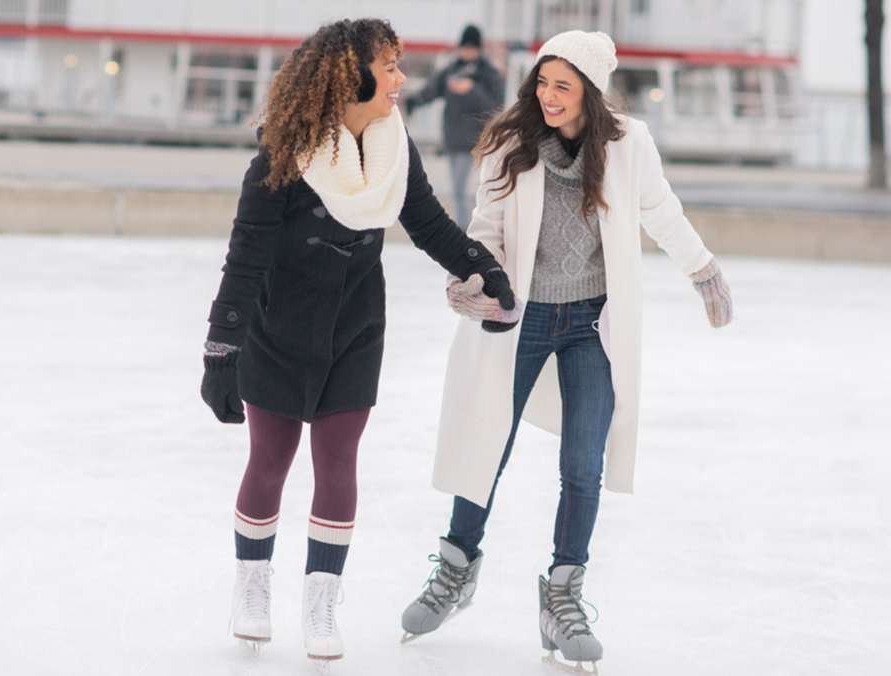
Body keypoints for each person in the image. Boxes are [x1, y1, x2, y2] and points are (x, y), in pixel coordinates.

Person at [398, 31, 734, 674]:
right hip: (519, 318)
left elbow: (661, 212)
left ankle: (562, 594)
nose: (548, 97)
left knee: (583, 462)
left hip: (590, 323)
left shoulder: (627, 144)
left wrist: (704, 271)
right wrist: (471, 282)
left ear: (590, 91)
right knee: (485, 441)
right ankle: (458, 567)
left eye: (563, 85)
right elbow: (486, 229)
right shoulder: (507, 141)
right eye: (542, 83)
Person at [198, 17, 521, 671]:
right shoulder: (281, 158)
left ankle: (322, 601)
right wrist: (222, 352)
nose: (402, 78)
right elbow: (245, 260)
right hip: (277, 327)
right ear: (353, 76)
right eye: (390, 66)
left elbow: (428, 221)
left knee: (339, 462)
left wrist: (482, 267)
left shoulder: (392, 150)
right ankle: (252, 588)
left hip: (354, 328)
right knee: (269, 461)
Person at [404, 24, 506, 231]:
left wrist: (471, 89)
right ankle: (465, 228)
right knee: (458, 189)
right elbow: (432, 90)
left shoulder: (488, 73)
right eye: (464, 48)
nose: (467, 52)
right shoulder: (451, 70)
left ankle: (469, 229)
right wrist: (413, 101)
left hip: (478, 140)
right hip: (453, 137)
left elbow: (496, 106)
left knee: (475, 189)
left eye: (471, 48)